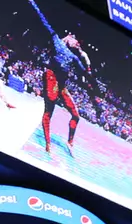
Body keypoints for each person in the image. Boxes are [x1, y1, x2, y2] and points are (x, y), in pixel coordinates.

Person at [25, 0, 91, 154]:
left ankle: (70, 142)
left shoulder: (73, 56)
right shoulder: (57, 41)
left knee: (76, 115)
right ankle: (48, 144)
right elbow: (42, 20)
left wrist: (84, 57)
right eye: (74, 39)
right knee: (49, 112)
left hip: (61, 84)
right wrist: (33, 4)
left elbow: (84, 74)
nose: (76, 42)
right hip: (50, 77)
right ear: (68, 38)